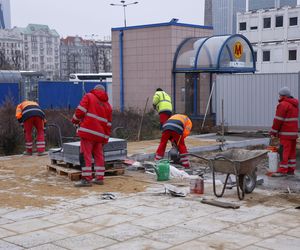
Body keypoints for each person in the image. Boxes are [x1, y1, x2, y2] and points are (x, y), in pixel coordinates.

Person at [72, 84, 112, 187]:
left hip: (88, 132)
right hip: (100, 136)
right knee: (99, 156)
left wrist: (75, 120)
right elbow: (108, 125)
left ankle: (86, 179)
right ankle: (99, 178)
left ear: (95, 90)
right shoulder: (108, 105)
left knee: (86, 155)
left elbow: (80, 111)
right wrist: (105, 139)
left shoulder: (89, 96)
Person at [270, 86, 299, 176]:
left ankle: (282, 170)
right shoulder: (295, 105)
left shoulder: (283, 105)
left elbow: (278, 120)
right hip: (293, 134)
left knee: (284, 152)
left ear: (282, 96)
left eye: (279, 95)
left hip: (285, 134)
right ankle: (291, 169)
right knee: (292, 152)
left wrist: (273, 132)